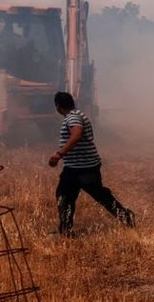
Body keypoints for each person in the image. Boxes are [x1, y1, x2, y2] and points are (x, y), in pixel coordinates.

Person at [47, 91, 134, 236]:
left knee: (66, 196)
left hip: (80, 168)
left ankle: (66, 231)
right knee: (78, 195)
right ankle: (125, 217)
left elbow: (76, 134)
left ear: (58, 106)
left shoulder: (73, 118)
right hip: (80, 167)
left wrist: (59, 154)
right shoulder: (78, 114)